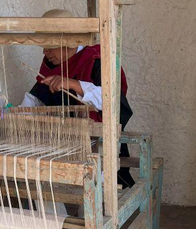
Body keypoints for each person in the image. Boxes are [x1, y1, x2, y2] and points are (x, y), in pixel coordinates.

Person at [21, 8, 135, 188]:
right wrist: (13, 116)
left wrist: (73, 84)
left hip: (100, 143)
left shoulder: (98, 60)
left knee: (94, 190)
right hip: (64, 142)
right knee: (40, 178)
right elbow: (35, 98)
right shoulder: (52, 64)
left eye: (49, 47)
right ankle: (55, 217)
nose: (45, 52)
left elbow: (112, 102)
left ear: (67, 42)